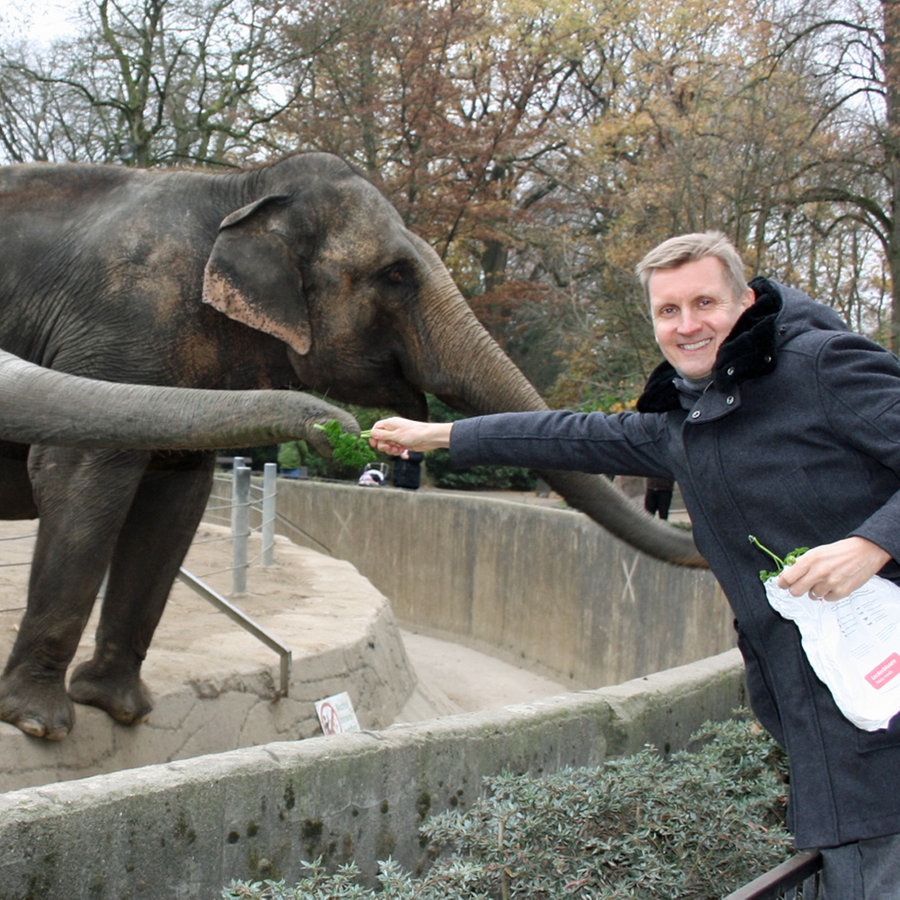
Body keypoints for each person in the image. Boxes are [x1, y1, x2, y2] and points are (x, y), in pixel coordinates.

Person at [369, 231, 900, 898]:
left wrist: (873, 544)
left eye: (704, 302)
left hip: (882, 697)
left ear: (744, 300)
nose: (687, 325)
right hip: (821, 704)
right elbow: (573, 434)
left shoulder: (821, 367)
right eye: (668, 311)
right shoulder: (689, 423)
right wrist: (441, 435)